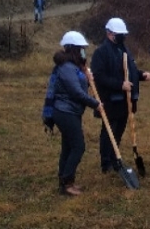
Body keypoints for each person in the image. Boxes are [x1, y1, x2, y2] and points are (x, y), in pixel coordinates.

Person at [91, 18, 150, 174]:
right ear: (110, 33)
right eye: (119, 34)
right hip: (111, 101)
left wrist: (141, 75)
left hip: (126, 101)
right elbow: (99, 76)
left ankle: (115, 158)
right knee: (109, 132)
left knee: (119, 131)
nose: (122, 37)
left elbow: (129, 70)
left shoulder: (124, 49)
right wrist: (119, 85)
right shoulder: (101, 53)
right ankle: (106, 163)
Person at [52, 31, 102, 196]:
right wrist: (95, 104)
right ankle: (66, 183)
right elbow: (75, 92)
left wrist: (87, 78)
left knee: (68, 147)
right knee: (78, 146)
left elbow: (79, 86)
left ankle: (65, 181)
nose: (83, 51)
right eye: (81, 48)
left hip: (71, 111)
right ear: (73, 49)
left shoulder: (74, 67)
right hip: (65, 112)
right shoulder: (67, 68)